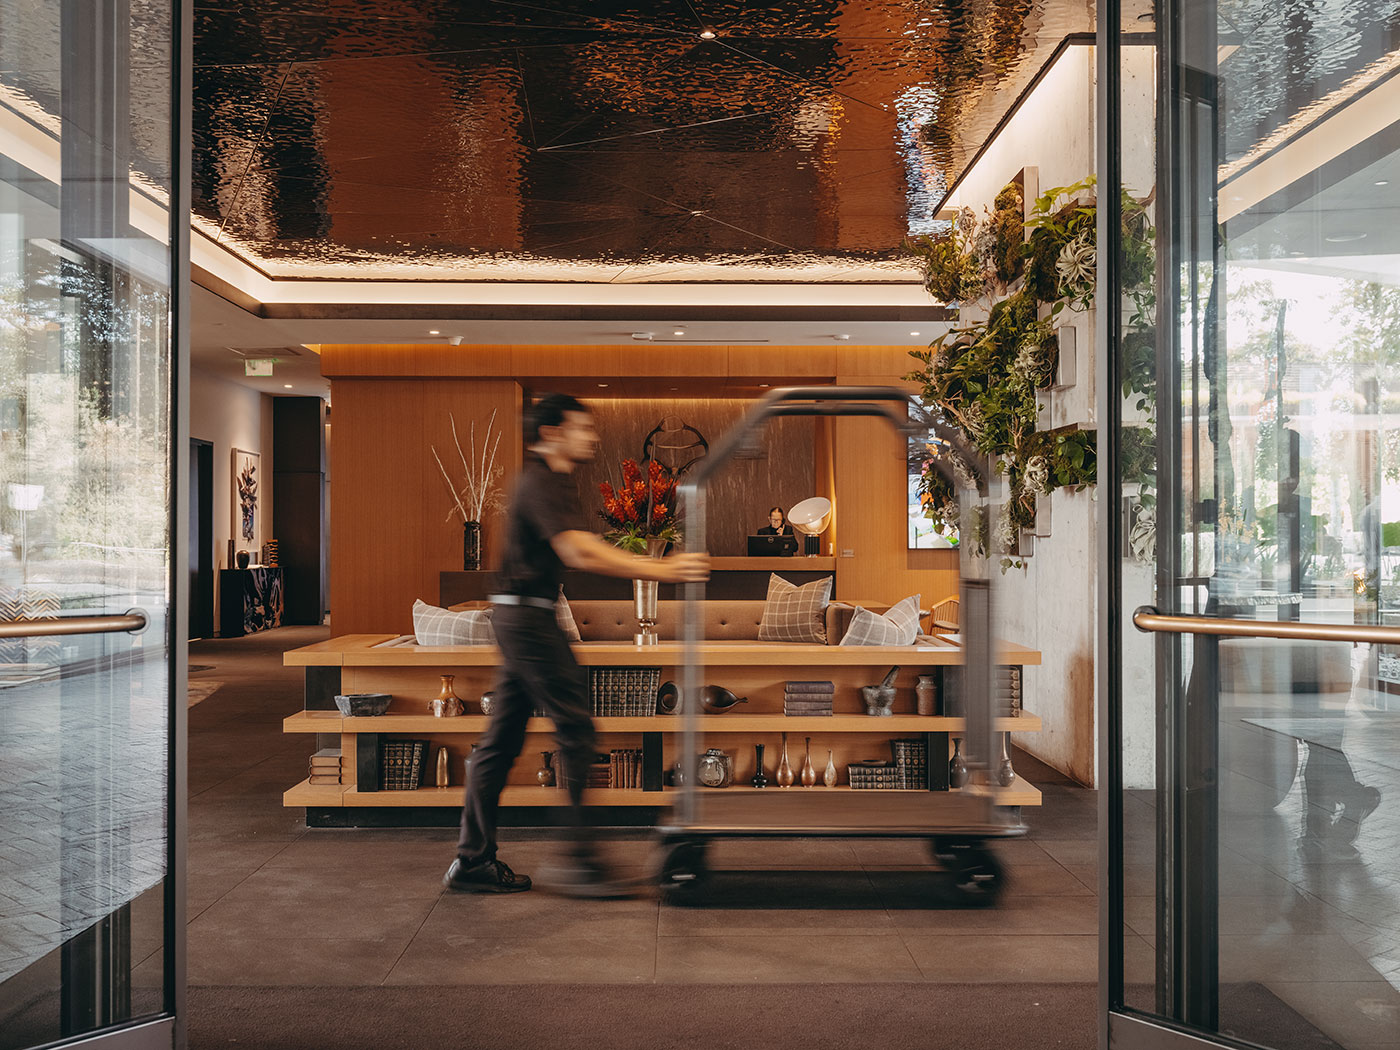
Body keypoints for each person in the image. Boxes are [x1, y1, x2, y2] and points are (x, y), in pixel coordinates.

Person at [444, 394, 709, 897]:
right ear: (551, 433)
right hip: (527, 619)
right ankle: (579, 862)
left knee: (500, 744)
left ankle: (473, 859)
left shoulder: (550, 481)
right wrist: (663, 567)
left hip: (521, 615)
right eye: (581, 427)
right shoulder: (542, 479)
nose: (591, 436)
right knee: (577, 731)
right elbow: (577, 548)